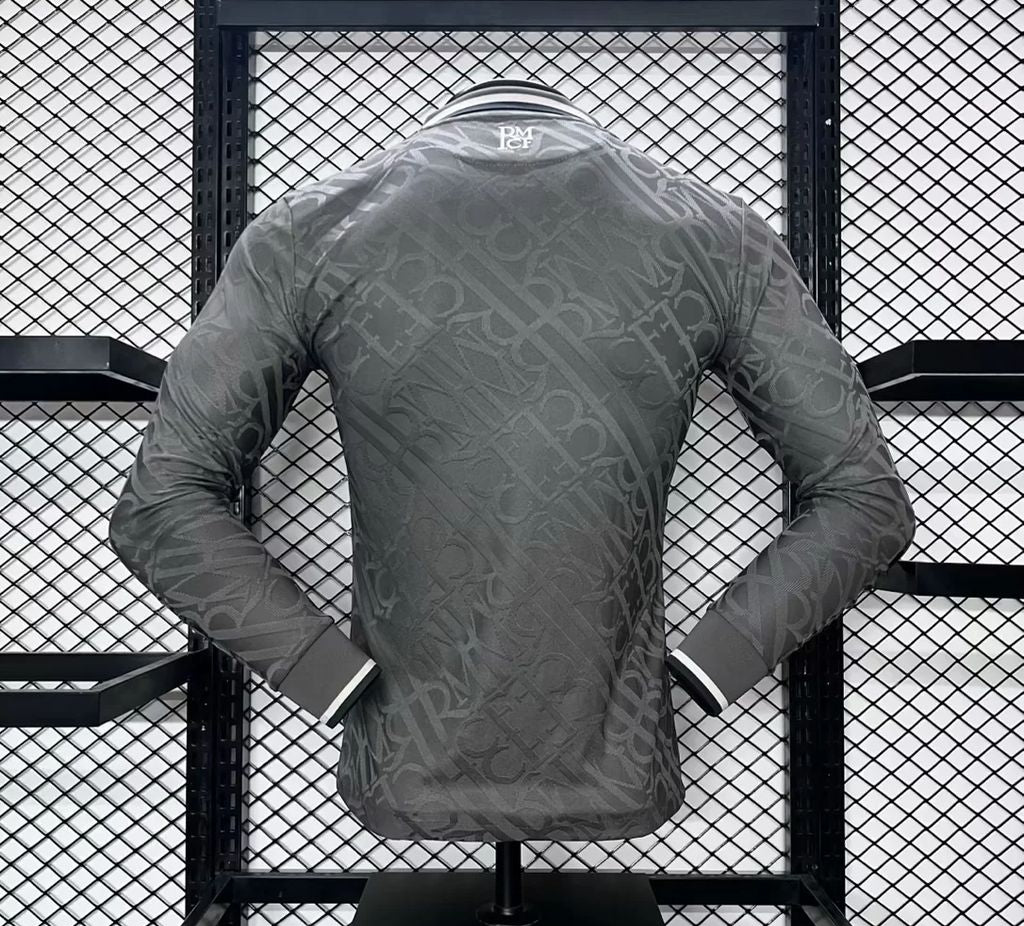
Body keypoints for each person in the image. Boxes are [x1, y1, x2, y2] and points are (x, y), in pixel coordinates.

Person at [109, 77, 915, 842]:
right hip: (619, 758)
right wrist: (716, 661)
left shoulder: (309, 229)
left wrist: (321, 671)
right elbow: (864, 499)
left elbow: (163, 504)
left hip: (404, 756)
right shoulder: (715, 232)